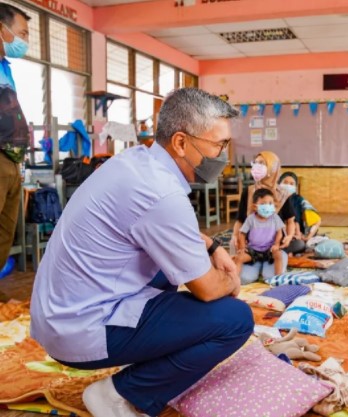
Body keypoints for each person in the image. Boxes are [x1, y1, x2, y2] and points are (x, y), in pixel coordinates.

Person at [30, 88, 254, 417]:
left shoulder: (136, 162)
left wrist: (213, 245)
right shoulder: (162, 193)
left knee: (171, 268)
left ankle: (144, 357)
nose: (223, 155)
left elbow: (163, 230)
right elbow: (207, 289)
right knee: (234, 319)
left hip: (60, 315)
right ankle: (119, 393)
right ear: (181, 142)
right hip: (82, 329)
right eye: (219, 144)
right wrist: (231, 280)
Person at [233, 151, 295, 283]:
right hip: (252, 247)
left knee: (270, 277)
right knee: (244, 278)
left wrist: (289, 237)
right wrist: (235, 237)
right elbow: (240, 220)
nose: (257, 166)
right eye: (255, 163)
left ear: (273, 168)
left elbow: (290, 221)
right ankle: (254, 265)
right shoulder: (249, 191)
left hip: (274, 247)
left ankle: (269, 265)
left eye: (262, 163)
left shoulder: (283, 194)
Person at [0, 4, 29, 272]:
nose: (25, 41)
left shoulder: (5, 68)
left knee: (5, 232)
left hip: (11, 159)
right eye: (22, 33)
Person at [235, 188, 285, 277]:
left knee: (278, 255)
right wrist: (242, 247)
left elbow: (279, 232)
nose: (267, 206)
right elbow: (242, 233)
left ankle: (278, 277)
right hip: (253, 250)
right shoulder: (251, 219)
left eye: (270, 203)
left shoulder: (275, 217)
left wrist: (276, 244)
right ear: (255, 206)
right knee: (239, 258)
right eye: (263, 204)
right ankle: (233, 280)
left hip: (269, 249)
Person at [278, 171, 321, 254]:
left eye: (291, 184)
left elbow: (316, 221)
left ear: (295, 187)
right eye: (285, 182)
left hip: (294, 237)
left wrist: (307, 237)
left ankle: (279, 251)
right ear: (279, 184)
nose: (288, 186)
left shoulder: (299, 201)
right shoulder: (273, 198)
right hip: (275, 236)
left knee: (300, 245)